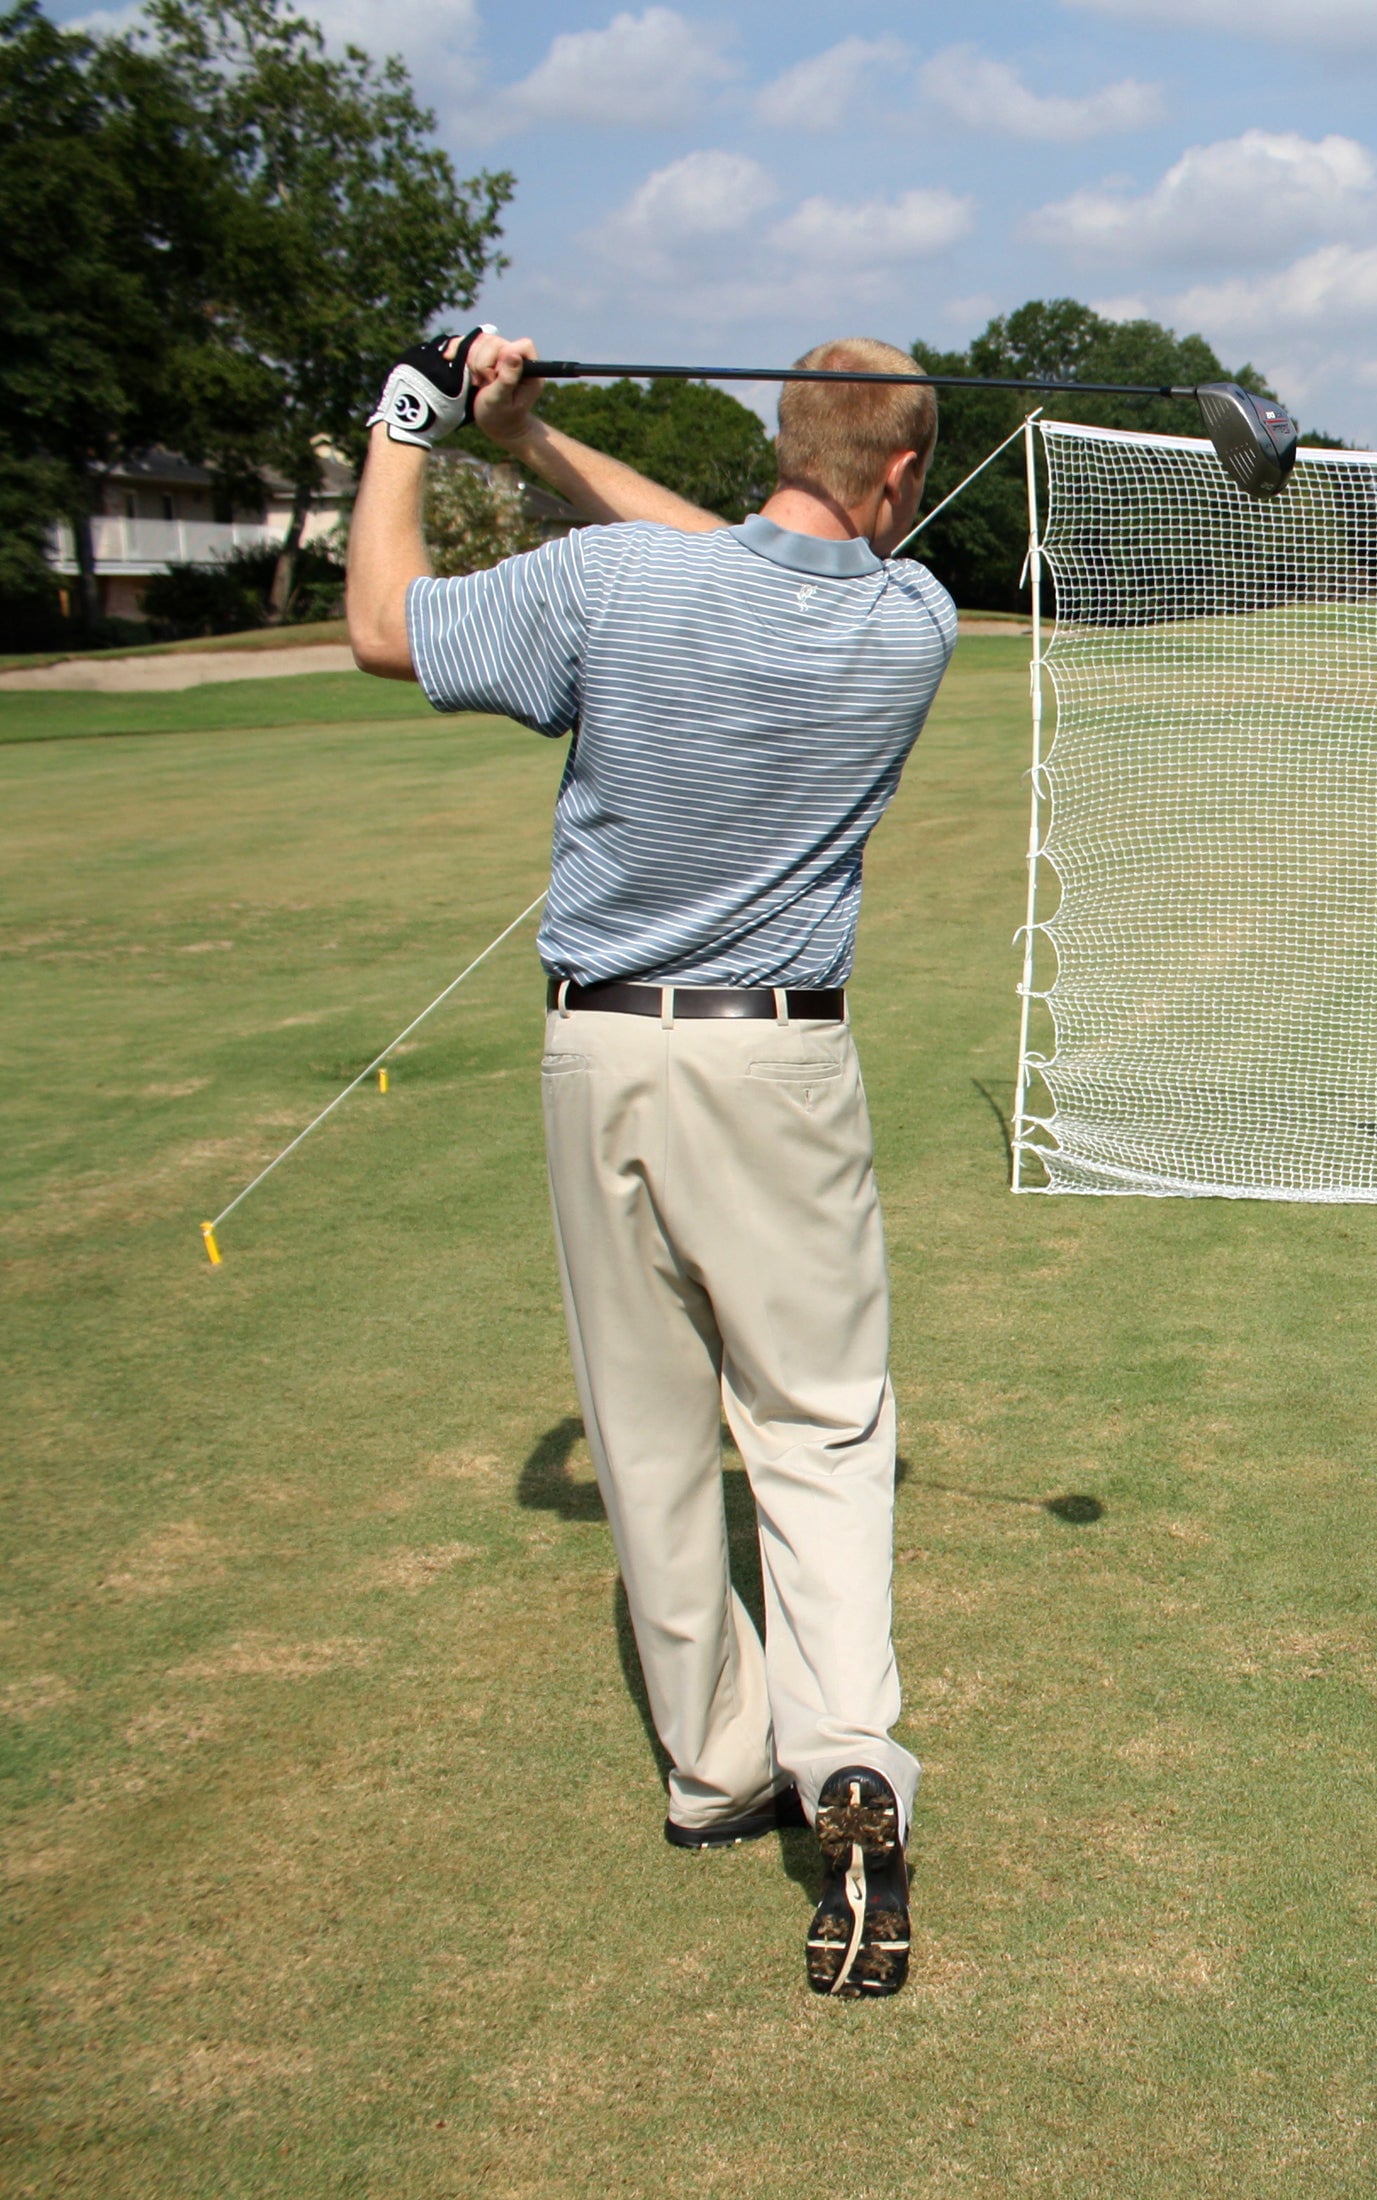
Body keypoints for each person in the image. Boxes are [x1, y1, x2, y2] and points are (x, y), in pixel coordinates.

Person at [347, 328, 954, 1998]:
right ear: (897, 474)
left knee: (648, 1433)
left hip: (598, 1049)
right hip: (781, 1058)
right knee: (821, 1425)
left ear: (781, 436)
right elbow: (749, 563)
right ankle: (846, 1756)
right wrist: (533, 442)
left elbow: (379, 629)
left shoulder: (617, 588)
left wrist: (419, 428)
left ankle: (714, 1769)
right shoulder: (916, 623)